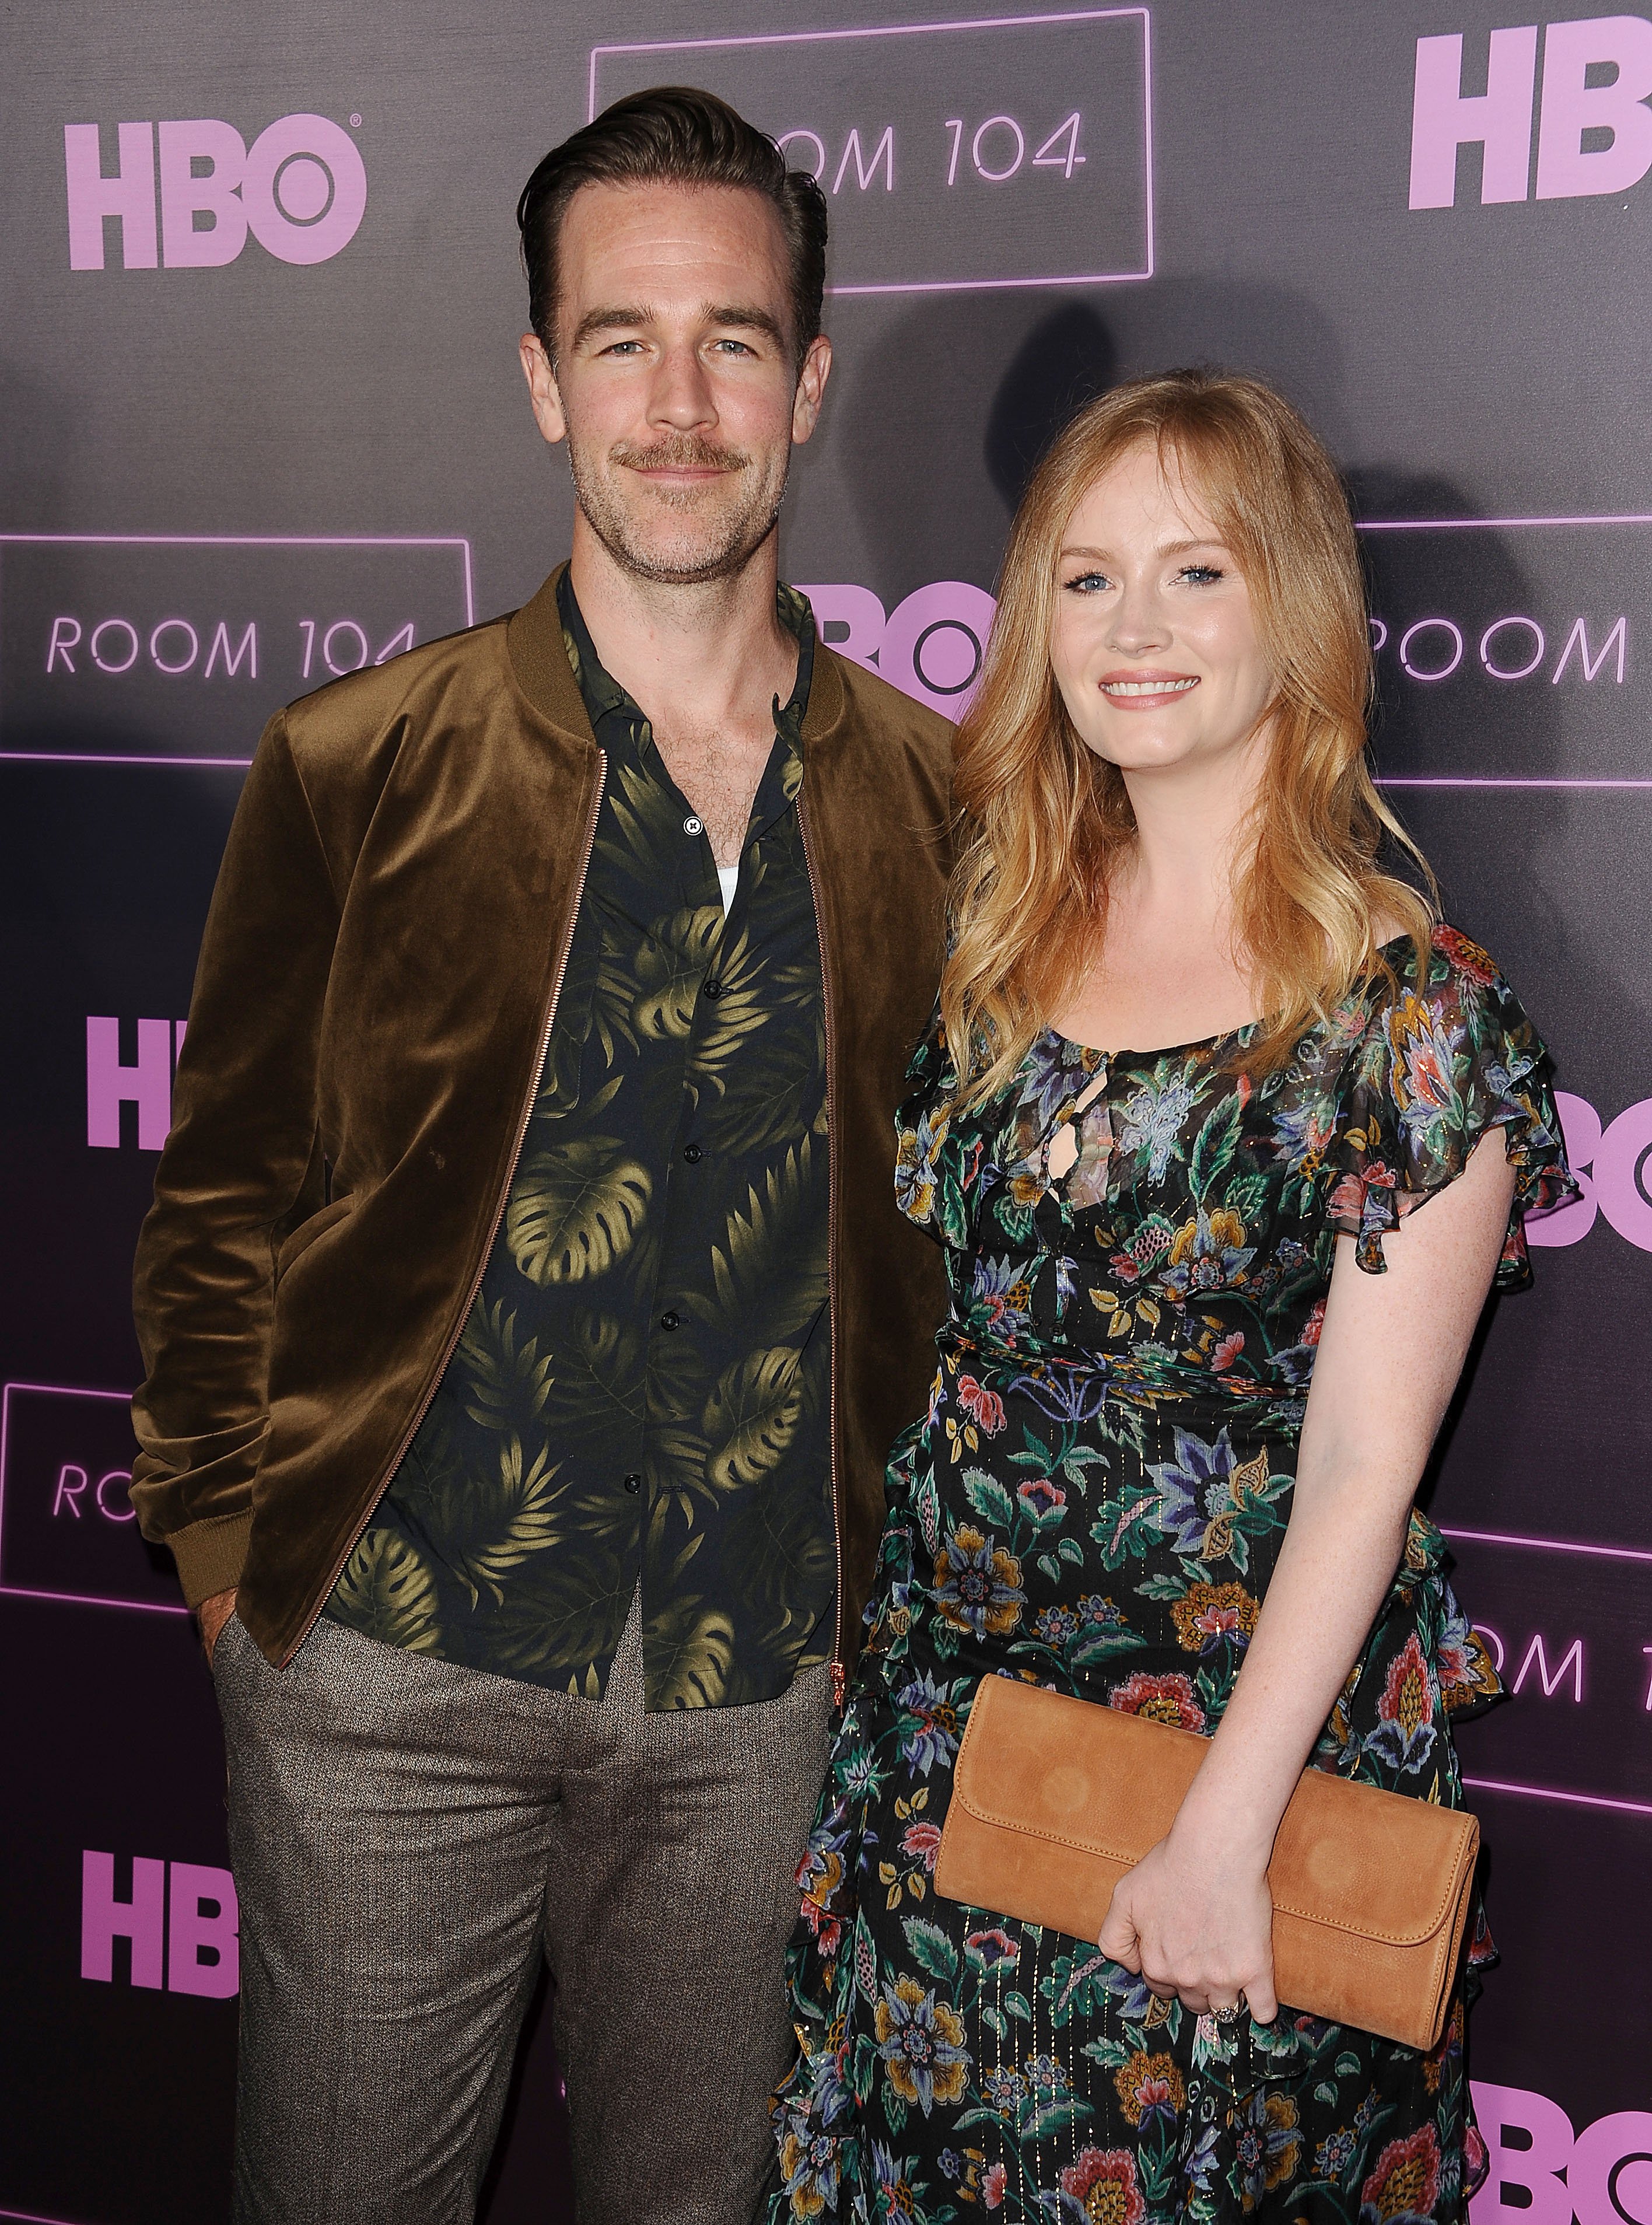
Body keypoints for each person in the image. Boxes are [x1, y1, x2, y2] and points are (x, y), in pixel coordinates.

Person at [128, 87, 953, 2224]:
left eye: (737, 341)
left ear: (809, 381)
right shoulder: (355, 760)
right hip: (386, 1668)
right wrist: (230, 1565)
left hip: (766, 1696)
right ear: (539, 378)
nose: (680, 405)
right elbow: (221, 1195)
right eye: (622, 339)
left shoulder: (952, 807)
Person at [766, 370, 1576, 2223]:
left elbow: (1369, 1464)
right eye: (1086, 578)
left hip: (1231, 1778)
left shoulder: (1407, 1010)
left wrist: (1220, 1836)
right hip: (945, 1744)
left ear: (1290, 609)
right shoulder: (1003, 942)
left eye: (1196, 575)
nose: (1134, 632)